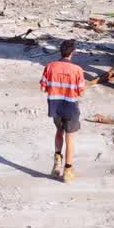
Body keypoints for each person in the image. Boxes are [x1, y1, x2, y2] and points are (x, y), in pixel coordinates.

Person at [41, 39, 86, 182]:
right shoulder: (77, 70)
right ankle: (67, 170)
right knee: (70, 137)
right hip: (70, 106)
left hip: (55, 105)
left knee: (59, 132)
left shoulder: (50, 66)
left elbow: (43, 88)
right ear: (73, 53)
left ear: (60, 51)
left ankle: (57, 159)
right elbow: (80, 92)